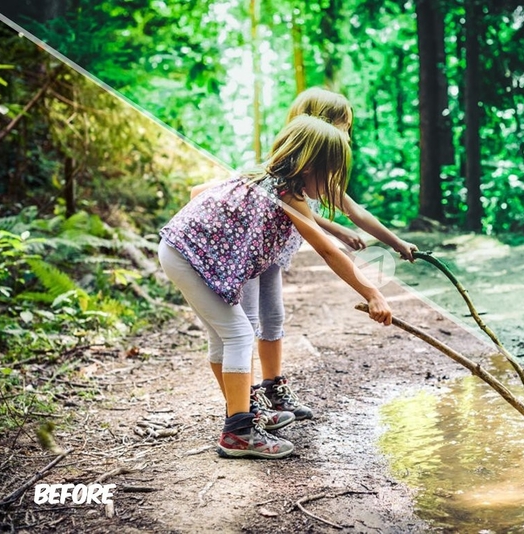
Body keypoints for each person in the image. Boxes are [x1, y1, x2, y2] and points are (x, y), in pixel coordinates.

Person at [158, 115, 392, 459]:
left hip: (181, 251)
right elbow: (327, 249)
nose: (330, 185)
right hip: (189, 256)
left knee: (225, 337)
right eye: (328, 174)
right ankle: (238, 433)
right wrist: (372, 293)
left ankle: (243, 415)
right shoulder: (286, 193)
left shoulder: (267, 179)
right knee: (238, 334)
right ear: (309, 166)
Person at [193, 87, 417, 423]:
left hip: (271, 255)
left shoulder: (318, 174)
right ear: (320, 127)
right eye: (343, 127)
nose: (347, 136)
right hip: (247, 253)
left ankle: (273, 386)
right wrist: (368, 286)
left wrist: (396, 242)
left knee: (274, 317)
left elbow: (353, 212)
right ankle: (246, 400)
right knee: (247, 323)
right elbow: (293, 211)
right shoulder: (278, 172)